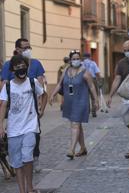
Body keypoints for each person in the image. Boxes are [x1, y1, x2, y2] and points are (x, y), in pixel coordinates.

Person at [0, 55, 47, 193]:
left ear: (27, 67)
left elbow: (44, 95)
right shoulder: (8, 86)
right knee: (17, 163)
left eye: (23, 66)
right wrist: (1, 125)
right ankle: (22, 190)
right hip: (13, 129)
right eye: (18, 67)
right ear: (13, 69)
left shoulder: (32, 82)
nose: (21, 69)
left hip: (30, 127)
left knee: (27, 157)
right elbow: (3, 105)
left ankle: (30, 187)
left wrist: (41, 110)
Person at [49, 50, 99, 159]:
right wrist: (52, 94)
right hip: (69, 102)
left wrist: (96, 100)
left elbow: (91, 86)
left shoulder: (85, 72)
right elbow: (59, 84)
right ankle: (83, 148)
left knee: (75, 124)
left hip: (81, 101)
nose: (76, 60)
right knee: (77, 124)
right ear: (70, 60)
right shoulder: (66, 70)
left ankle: (71, 149)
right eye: (74, 59)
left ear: (80, 60)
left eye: (77, 58)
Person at [107, 40, 129, 158]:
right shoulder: (121, 63)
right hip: (126, 99)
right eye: (124, 50)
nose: (126, 52)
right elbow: (117, 79)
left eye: (128, 50)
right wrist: (110, 95)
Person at [82, 52, 101, 117]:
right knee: (93, 96)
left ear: (83, 57)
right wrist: (99, 80)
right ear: (89, 57)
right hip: (93, 79)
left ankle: (87, 112)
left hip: (84, 80)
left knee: (85, 97)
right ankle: (94, 111)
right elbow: (97, 73)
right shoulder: (93, 63)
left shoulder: (81, 64)